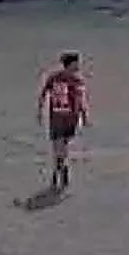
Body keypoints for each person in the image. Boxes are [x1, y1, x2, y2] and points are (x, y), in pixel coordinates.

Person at [37, 52, 88, 193]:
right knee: (62, 145)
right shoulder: (76, 80)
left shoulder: (54, 78)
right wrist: (84, 115)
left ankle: (59, 168)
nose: (78, 65)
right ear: (71, 64)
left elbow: (44, 95)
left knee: (59, 145)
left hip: (59, 118)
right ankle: (61, 168)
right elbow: (79, 100)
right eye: (76, 63)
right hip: (67, 118)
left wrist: (40, 111)